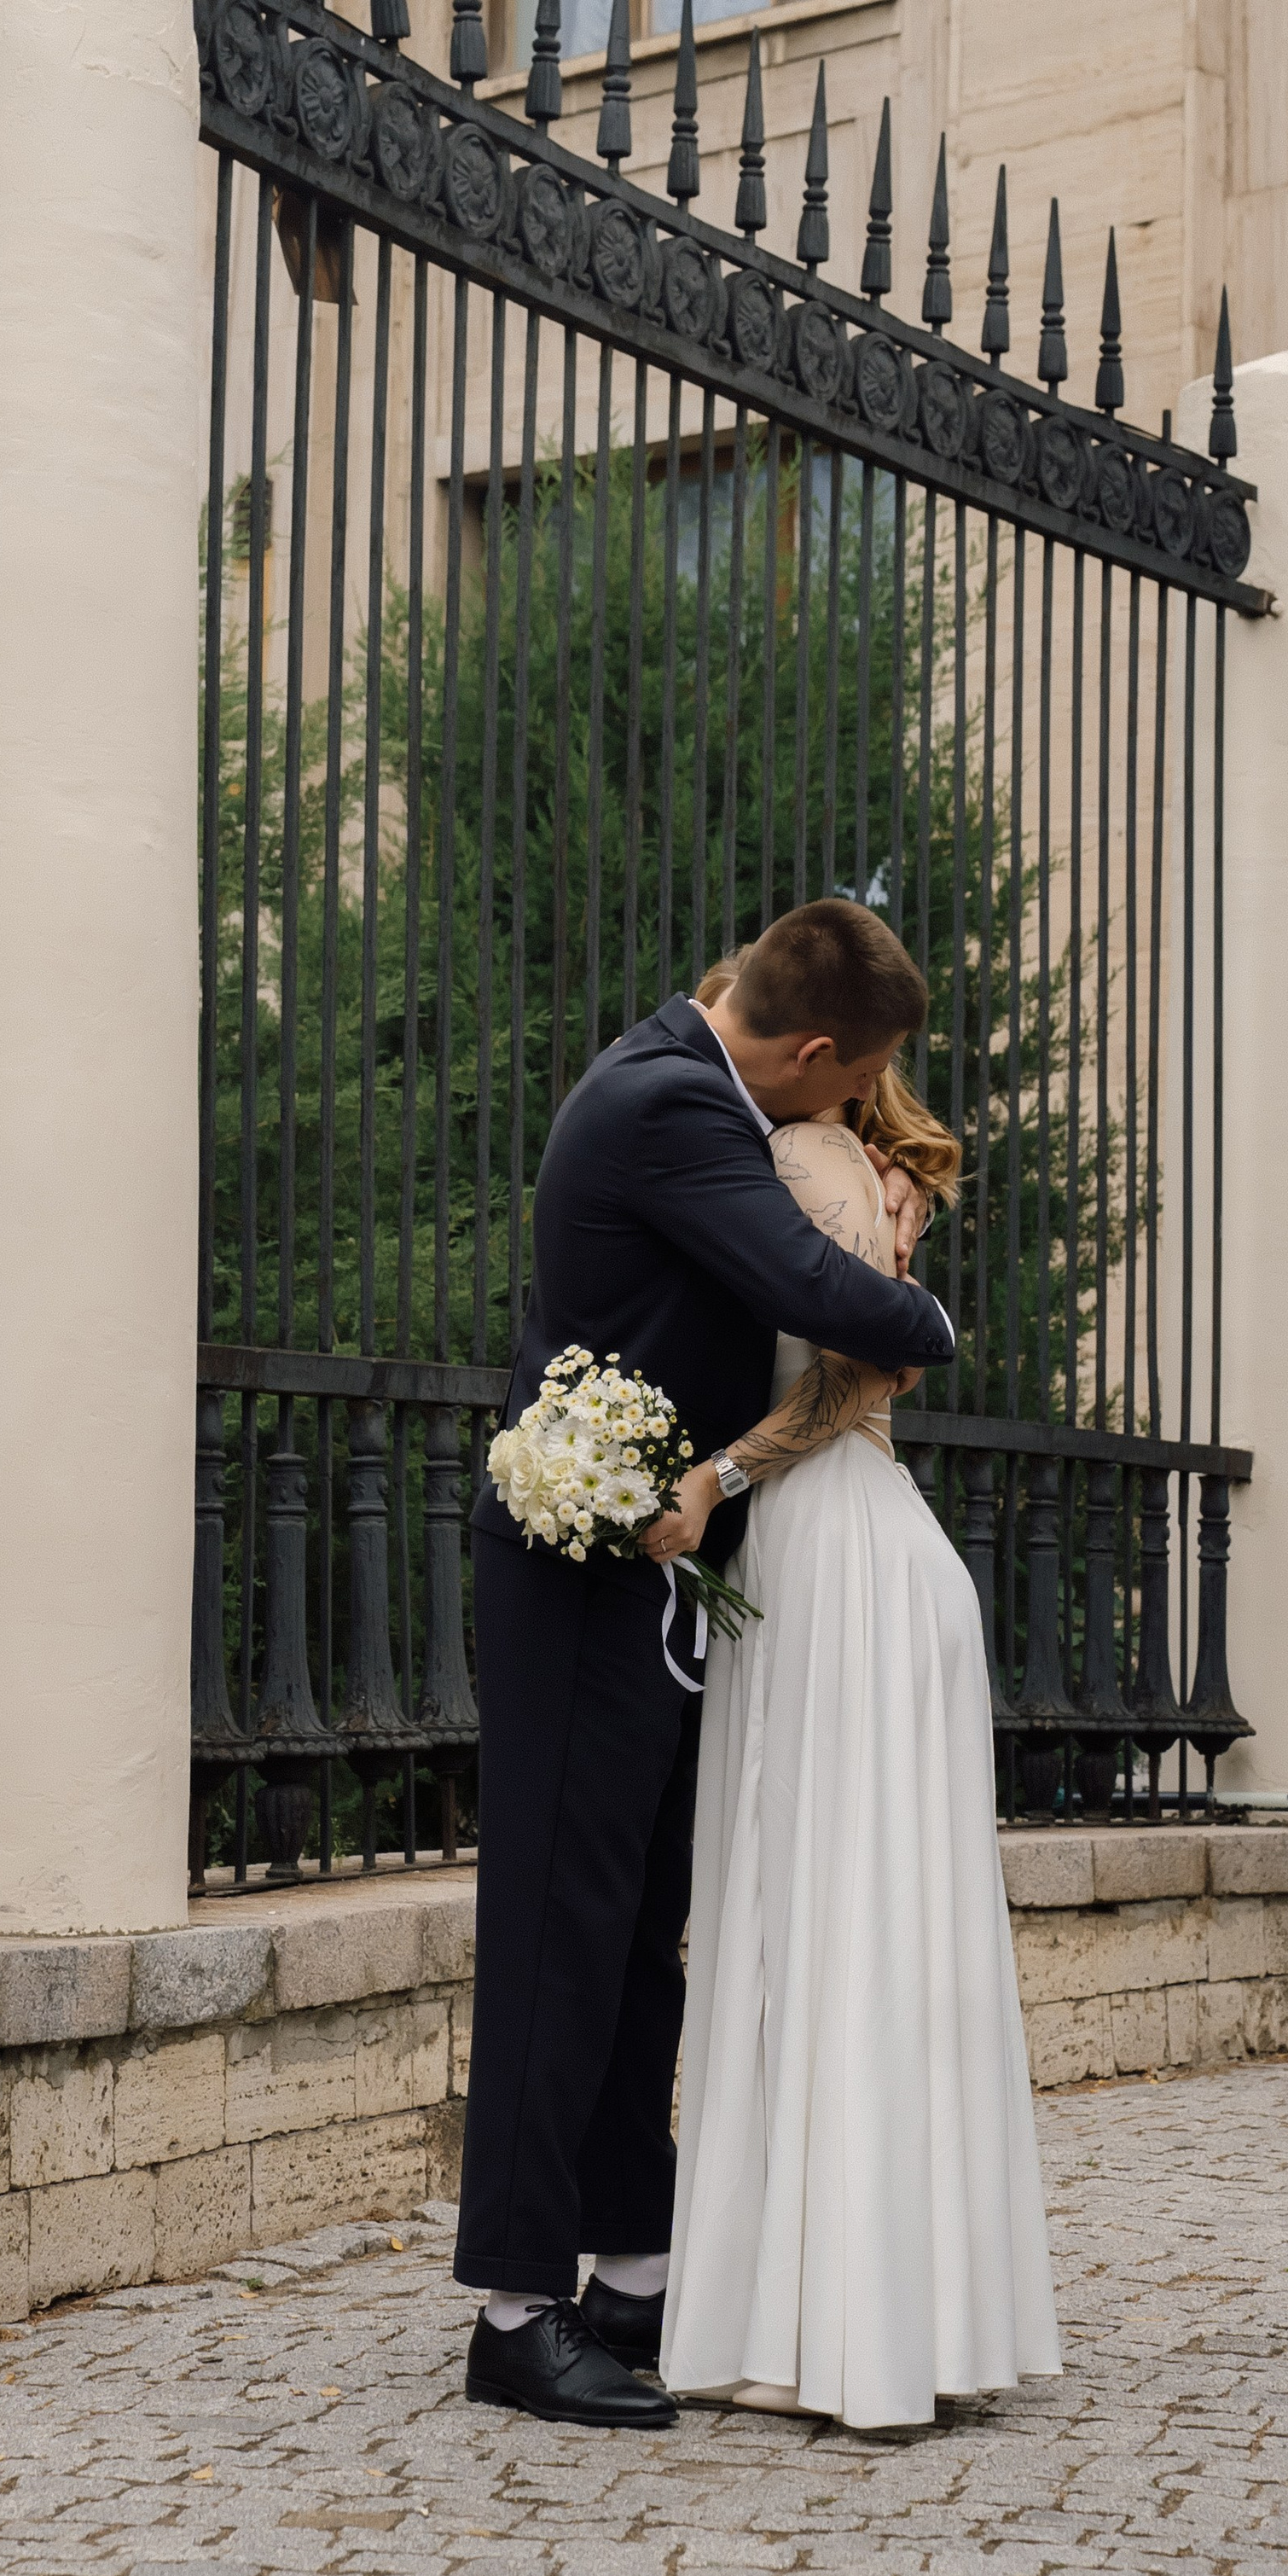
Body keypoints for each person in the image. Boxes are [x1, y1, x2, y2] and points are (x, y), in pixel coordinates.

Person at [456, 900, 957, 2431]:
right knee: (557, 1930)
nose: (854, 1103)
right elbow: (831, 1301)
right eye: (853, 1077)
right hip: (575, 1578)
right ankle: (511, 2311)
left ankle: (636, 2274)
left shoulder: (695, 1078)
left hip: (656, 1569)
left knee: (633, 1937)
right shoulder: (672, 1100)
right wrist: (927, 1299)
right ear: (812, 1051)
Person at [643, 966, 1060, 2428]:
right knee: (885, 1932)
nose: (717, 1013)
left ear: (820, 1050)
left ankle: (815, 2330)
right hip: (879, 1561)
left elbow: (861, 1373)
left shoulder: (802, 1157)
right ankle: (907, 2318)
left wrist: (713, 1472)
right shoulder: (870, 1166)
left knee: (818, 1921)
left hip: (834, 1560)